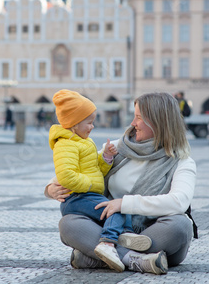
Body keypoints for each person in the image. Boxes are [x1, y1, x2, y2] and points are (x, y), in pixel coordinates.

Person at [45, 92, 197, 275]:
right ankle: (136, 259)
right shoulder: (116, 149)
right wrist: (50, 189)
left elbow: (179, 201)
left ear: (159, 122)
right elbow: (76, 171)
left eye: (139, 118)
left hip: (152, 232)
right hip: (111, 228)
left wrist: (124, 204)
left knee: (180, 225)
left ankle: (99, 257)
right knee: (69, 224)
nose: (133, 123)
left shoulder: (181, 161)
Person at [49, 89, 152, 272]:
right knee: (114, 209)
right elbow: (65, 176)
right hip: (78, 197)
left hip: (86, 194)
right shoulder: (65, 144)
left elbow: (95, 169)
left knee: (121, 207)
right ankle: (107, 243)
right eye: (89, 123)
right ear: (74, 123)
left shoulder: (83, 141)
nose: (93, 127)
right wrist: (88, 184)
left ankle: (127, 236)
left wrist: (105, 158)